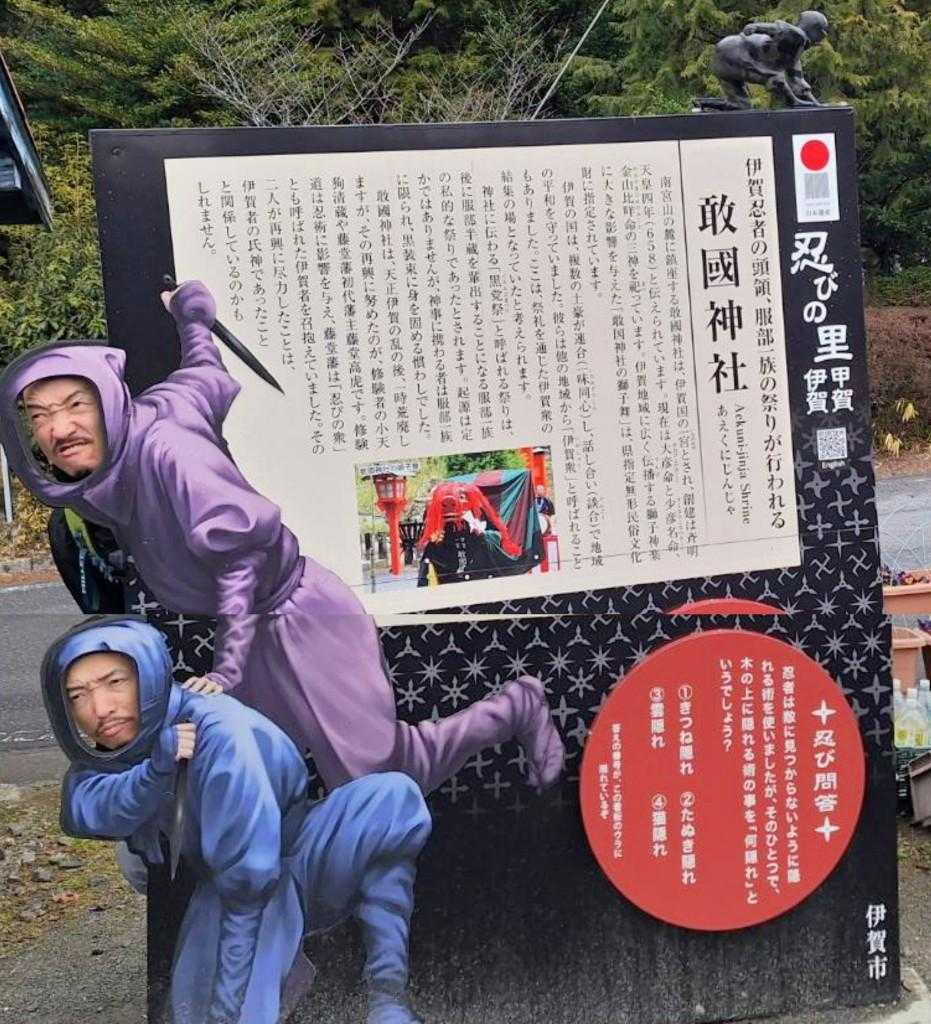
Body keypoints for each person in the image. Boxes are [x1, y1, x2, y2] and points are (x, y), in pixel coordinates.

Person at [0, 280, 565, 796]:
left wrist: (228, 670)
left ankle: (515, 708)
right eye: (39, 415)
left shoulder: (169, 451)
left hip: (300, 617)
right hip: (255, 632)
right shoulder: (160, 409)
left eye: (75, 405)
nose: (59, 428)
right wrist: (193, 317)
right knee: (250, 774)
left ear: (106, 399)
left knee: (378, 774)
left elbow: (242, 556)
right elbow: (204, 373)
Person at [43, 616, 431, 1024]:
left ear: (149, 674)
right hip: (216, 880)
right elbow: (81, 809)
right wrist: (153, 773)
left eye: (115, 682)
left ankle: (387, 999)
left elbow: (249, 882)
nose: (100, 708)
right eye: (77, 695)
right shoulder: (130, 743)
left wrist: (226, 1011)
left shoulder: (221, 733)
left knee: (392, 800)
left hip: (281, 869)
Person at [705, 11, 829, 110]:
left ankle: (705, 103)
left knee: (741, 105)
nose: (822, 38)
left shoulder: (793, 52)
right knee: (775, 78)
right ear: (815, 30)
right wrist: (756, 27)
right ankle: (793, 102)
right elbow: (779, 28)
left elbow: (798, 82)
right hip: (732, 52)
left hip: (725, 54)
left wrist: (817, 105)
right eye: (822, 33)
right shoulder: (798, 36)